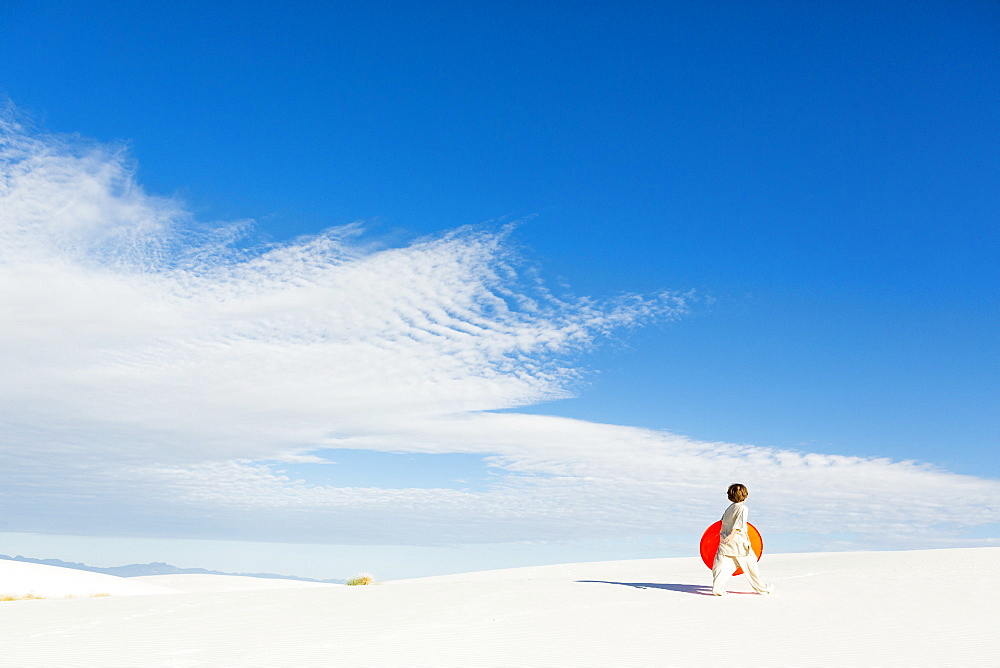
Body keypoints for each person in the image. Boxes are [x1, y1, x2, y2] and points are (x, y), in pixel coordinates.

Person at [712, 483, 772, 596]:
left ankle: (718, 588)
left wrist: (727, 537)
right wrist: (732, 535)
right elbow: (738, 523)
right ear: (745, 494)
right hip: (739, 543)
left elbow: (721, 524)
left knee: (724, 566)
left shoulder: (729, 509)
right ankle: (763, 589)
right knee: (751, 566)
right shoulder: (743, 508)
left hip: (725, 542)